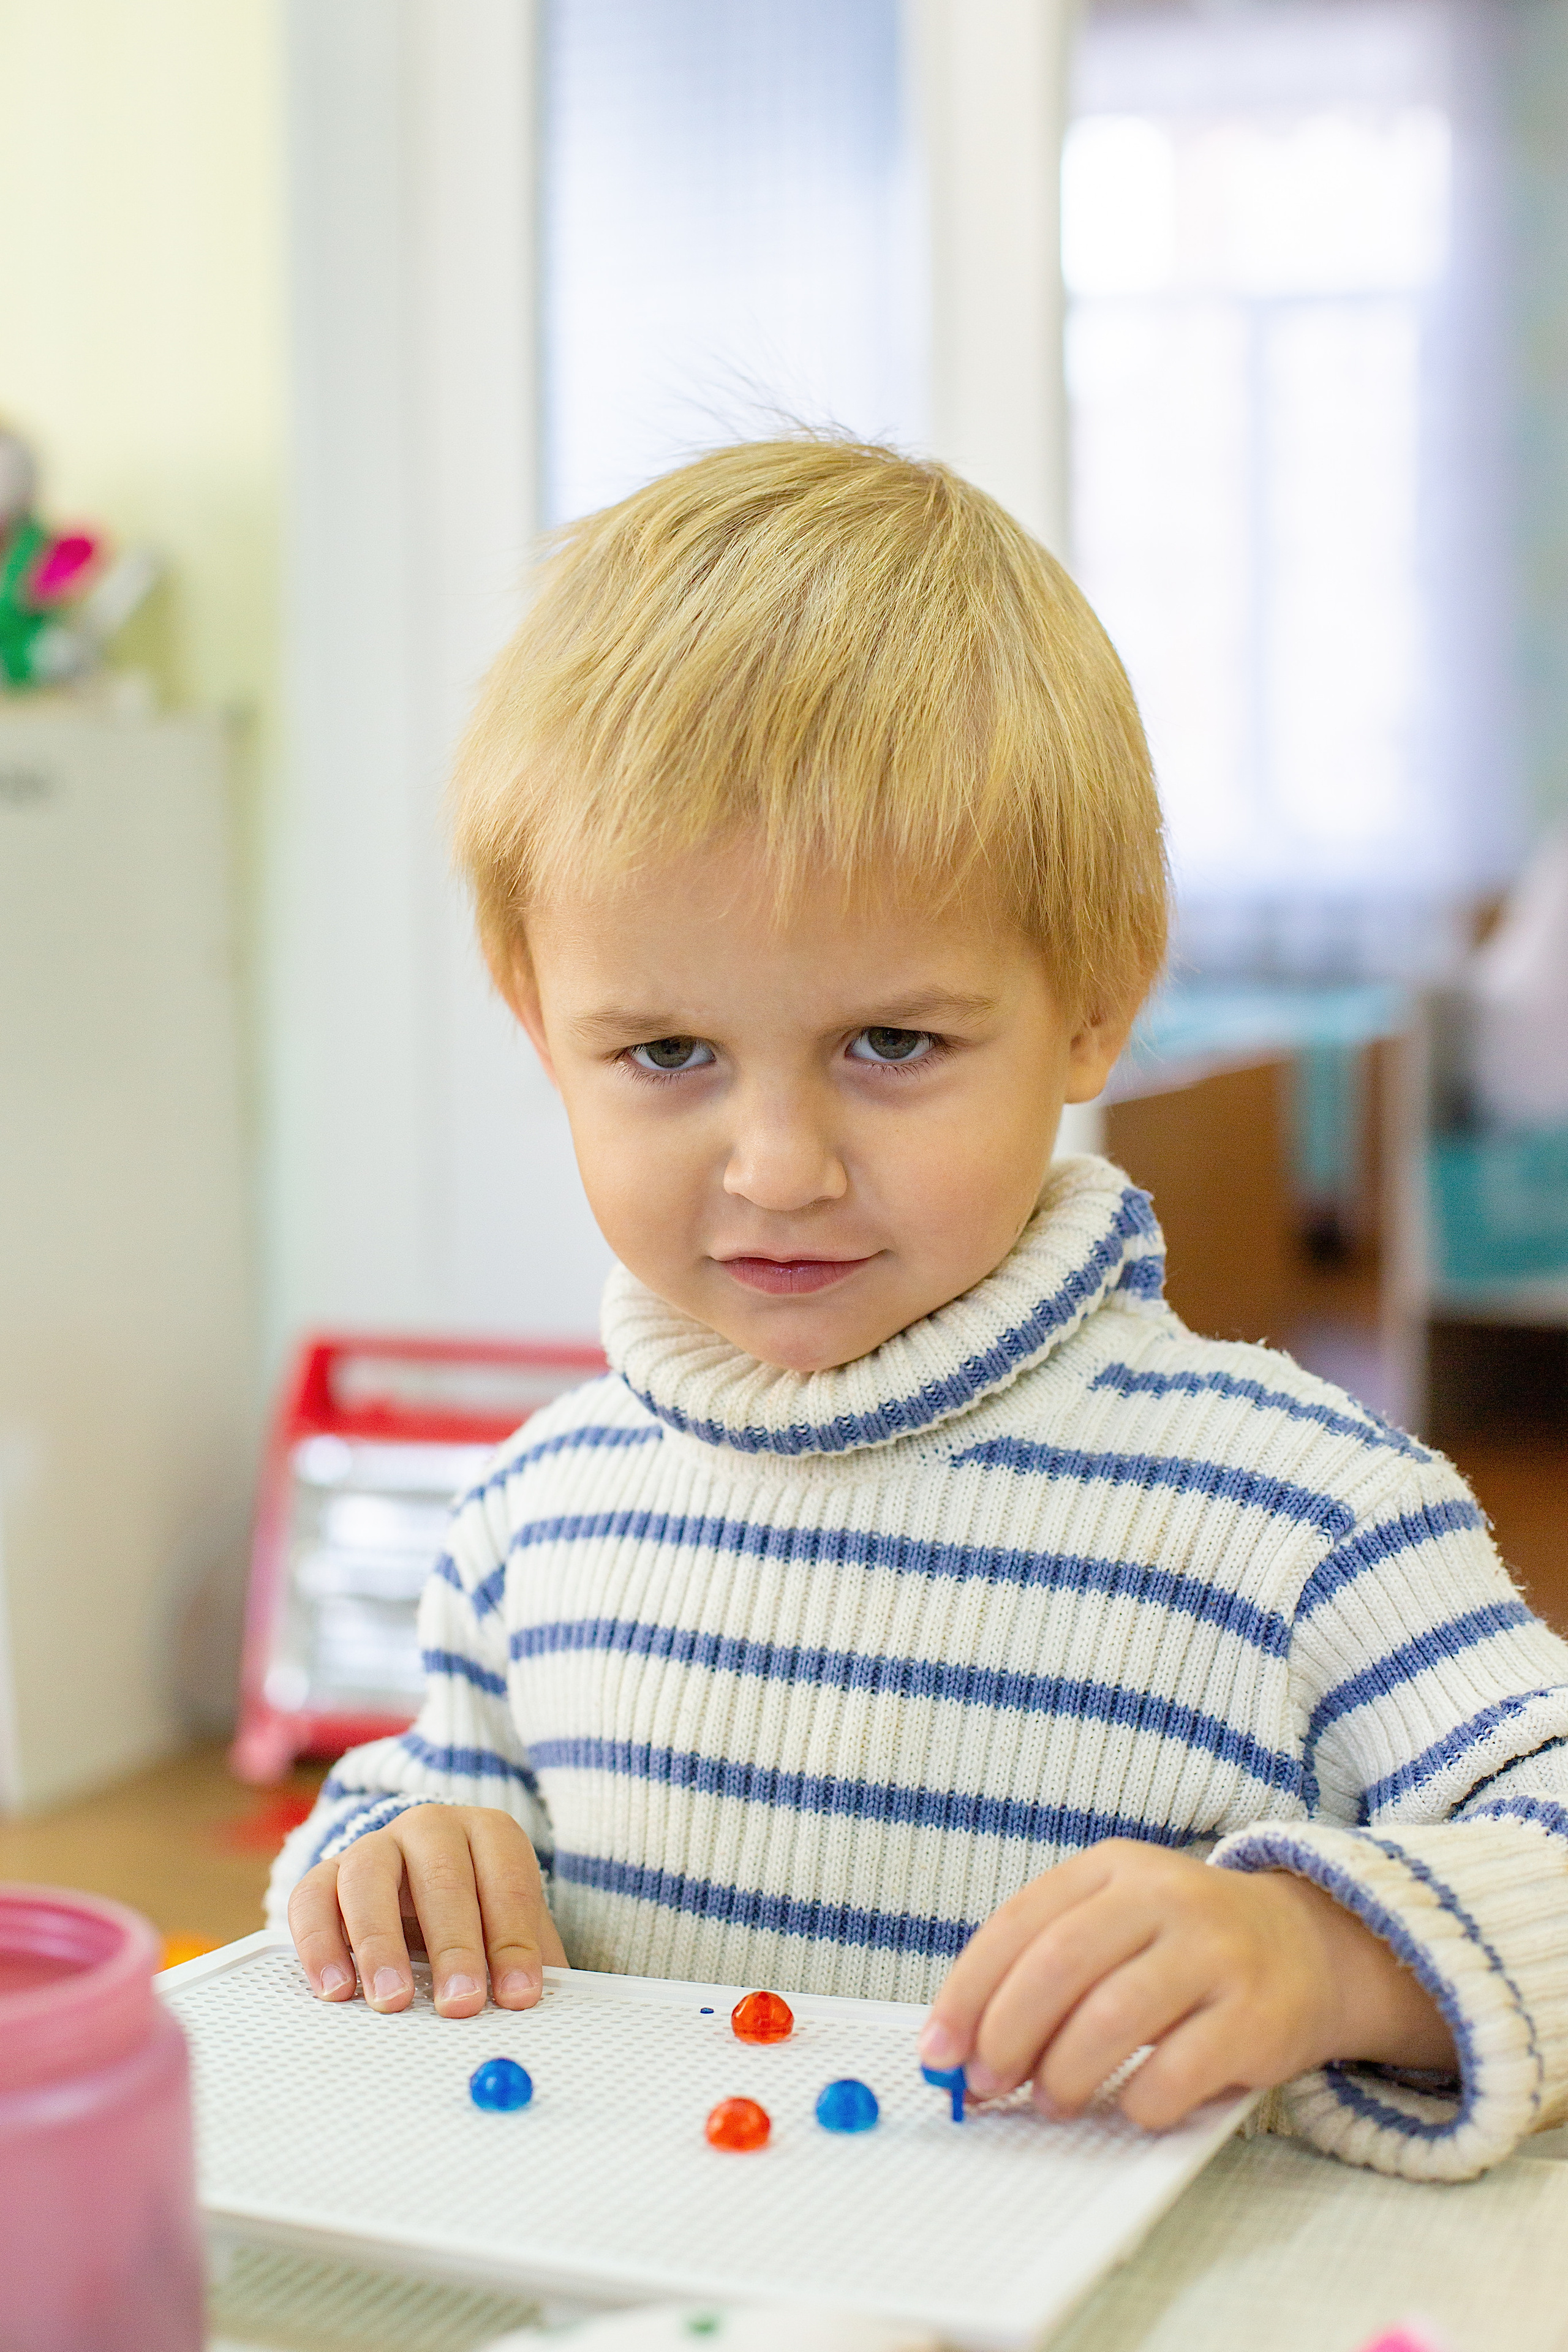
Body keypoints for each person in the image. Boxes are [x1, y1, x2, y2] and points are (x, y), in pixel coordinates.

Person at [271, 438, 1568, 2181]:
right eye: (667, 1053)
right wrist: (387, 1855)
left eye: (893, 1044)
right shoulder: (526, 1520)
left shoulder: (1301, 1514)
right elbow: (436, 1804)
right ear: (534, 1017)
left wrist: (1323, 1954)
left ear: (1097, 1000)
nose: (780, 1166)